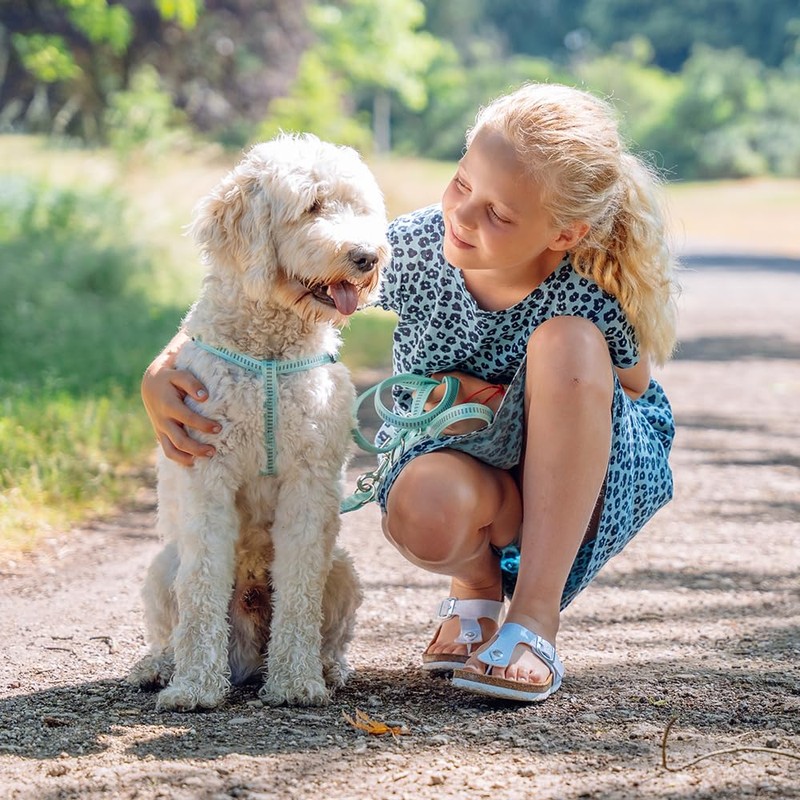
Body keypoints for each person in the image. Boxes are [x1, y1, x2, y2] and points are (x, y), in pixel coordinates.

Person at [141, 82, 678, 703]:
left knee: (567, 345)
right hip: (476, 476)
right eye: (461, 184)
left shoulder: (582, 287)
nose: (464, 216)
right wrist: (162, 369)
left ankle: (533, 621)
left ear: (564, 234)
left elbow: (632, 385)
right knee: (425, 501)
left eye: (499, 214)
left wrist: (513, 393)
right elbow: (273, 283)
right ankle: (475, 591)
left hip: (578, 480)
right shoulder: (419, 248)